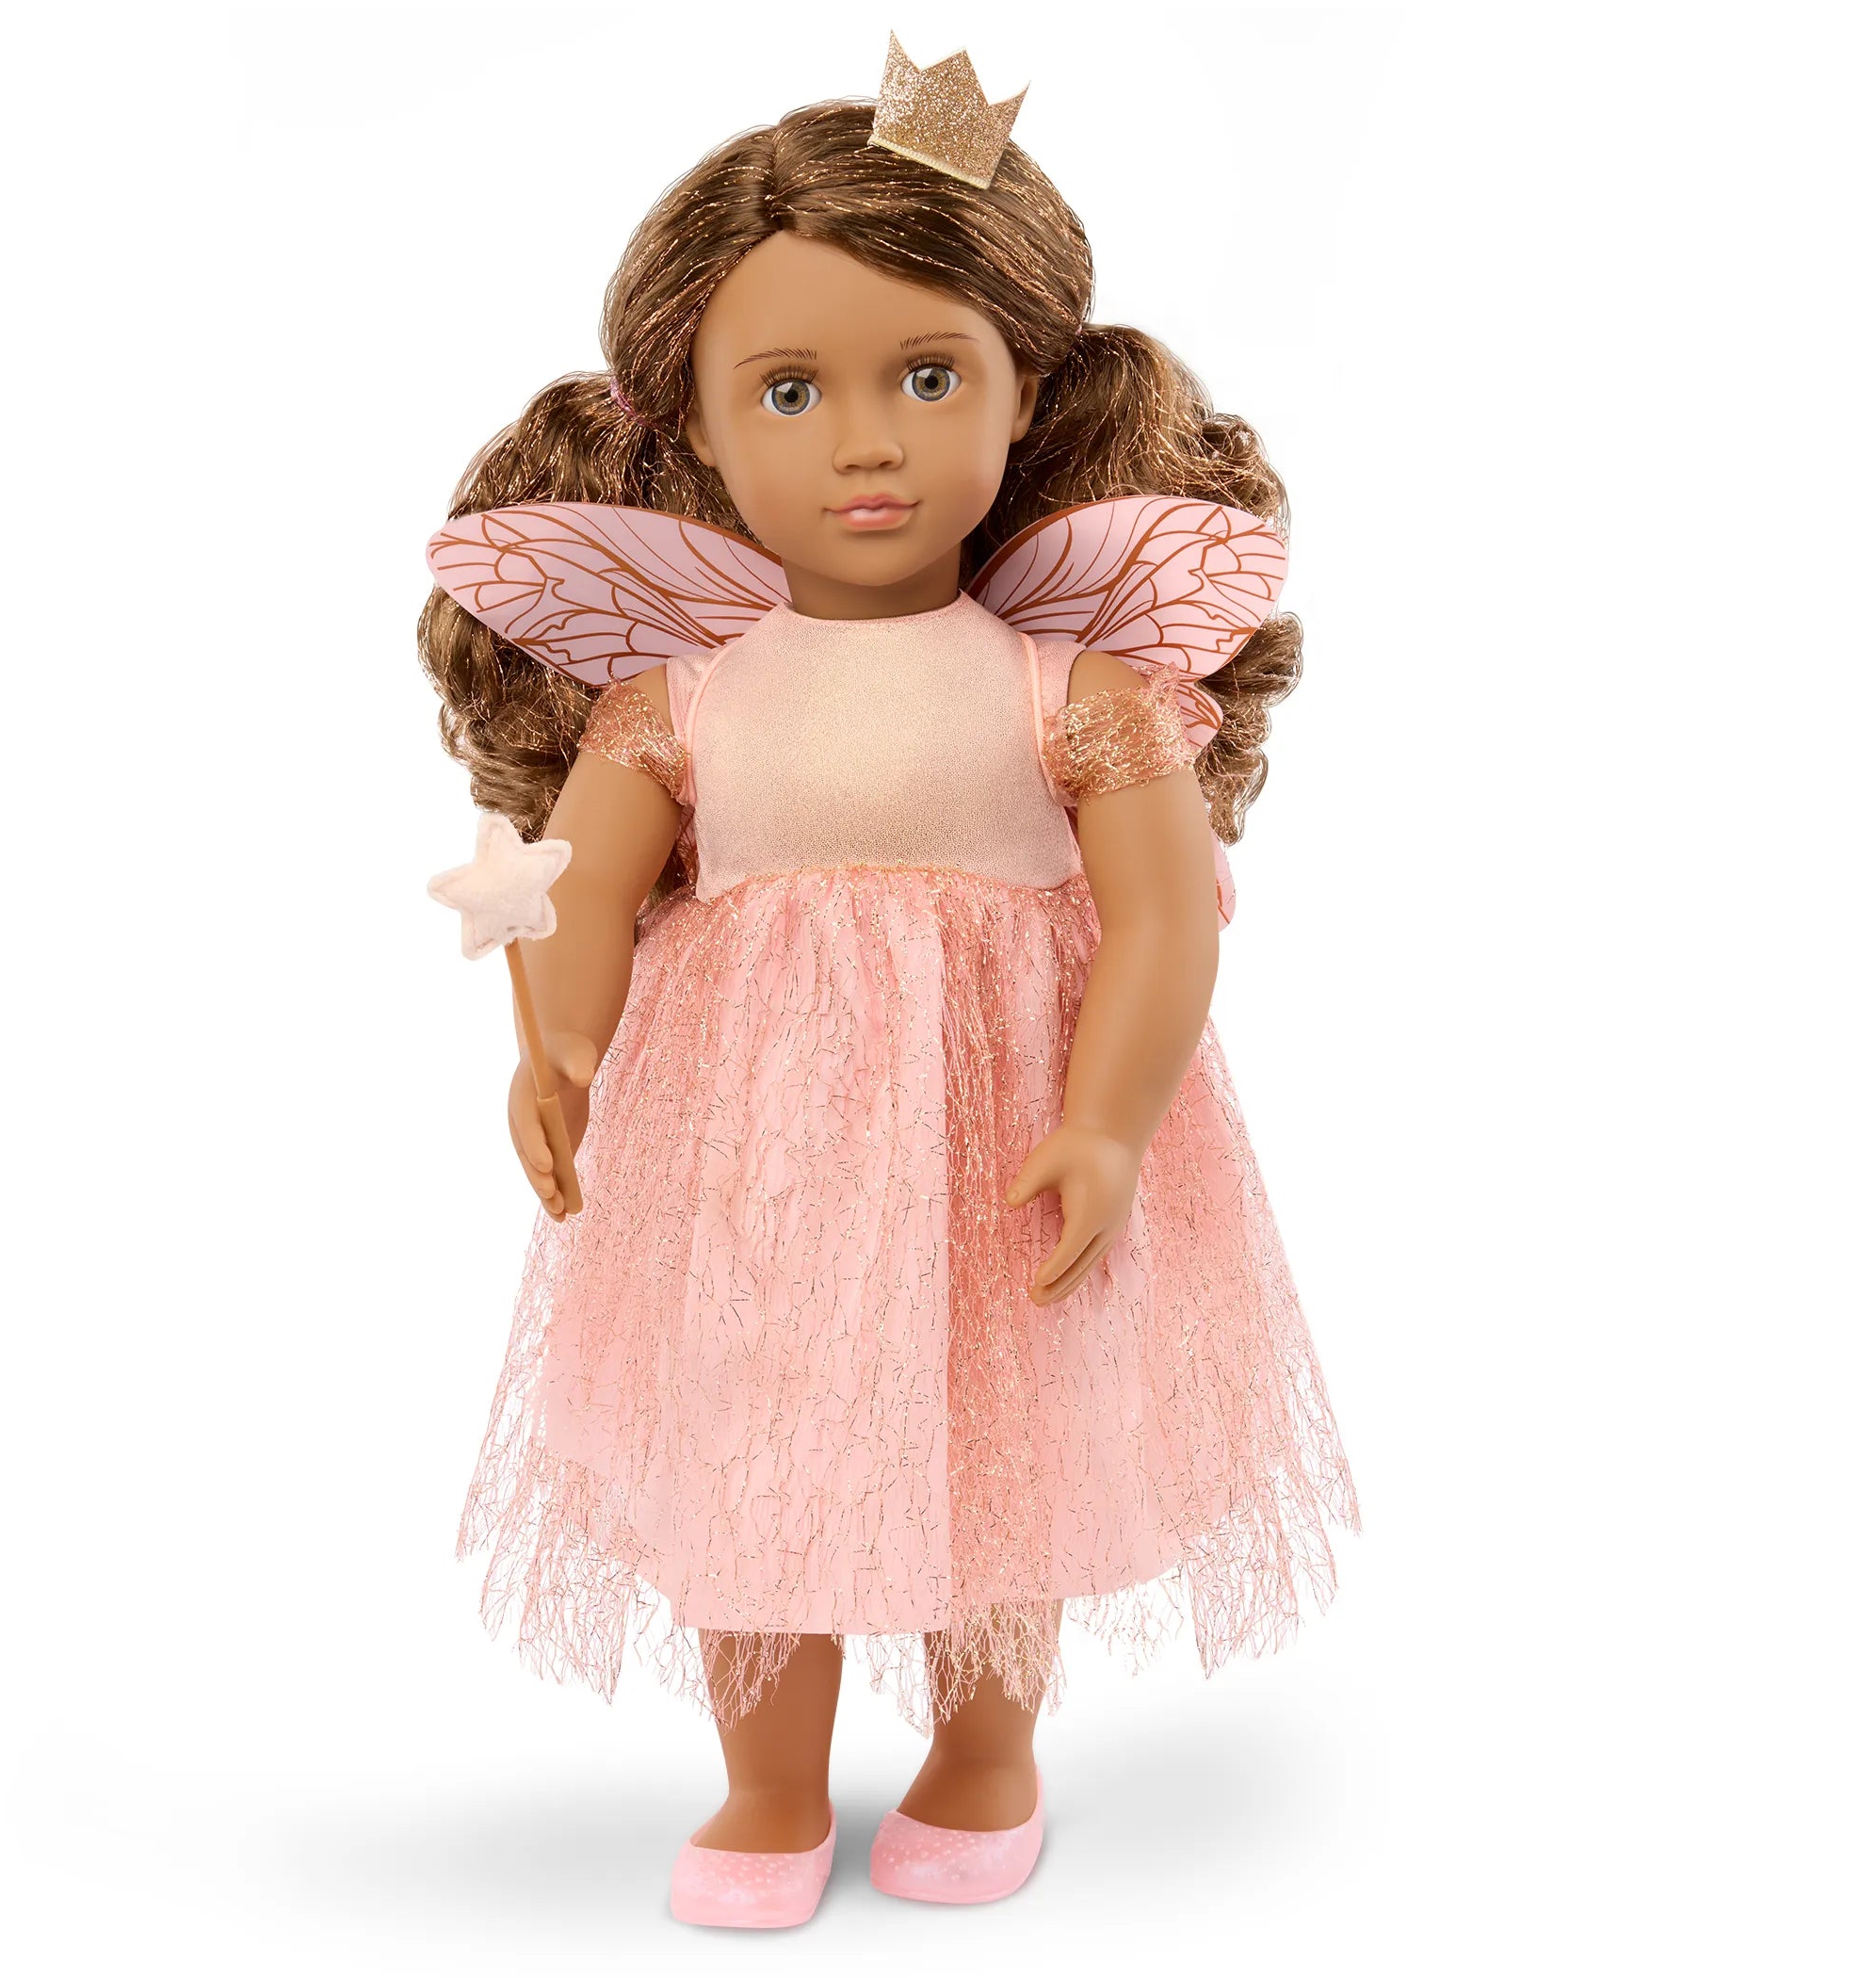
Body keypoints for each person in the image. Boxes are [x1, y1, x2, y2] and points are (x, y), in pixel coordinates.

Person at [418, 45, 1360, 1926]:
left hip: (1000, 1125)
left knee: (1004, 1440)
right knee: (752, 1443)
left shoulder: (1070, 690)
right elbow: (577, 883)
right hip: (754, 1150)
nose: (866, 443)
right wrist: (558, 1044)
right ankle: (768, 1785)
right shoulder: (679, 695)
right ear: (698, 430)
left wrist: (1109, 1120)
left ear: (1024, 392)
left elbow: (1164, 920)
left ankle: (985, 1750)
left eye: (928, 378)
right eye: (792, 391)